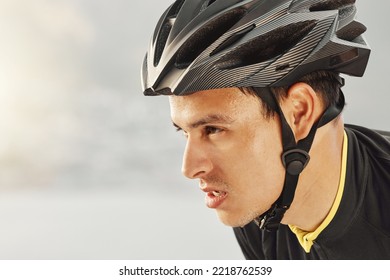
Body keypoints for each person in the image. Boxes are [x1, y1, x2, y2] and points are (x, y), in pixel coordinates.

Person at [141, 0, 390, 259]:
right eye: (183, 132)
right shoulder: (260, 212)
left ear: (300, 112)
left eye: (213, 129)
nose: (189, 169)